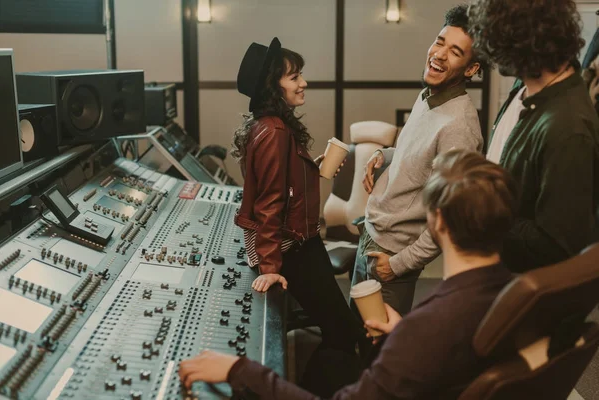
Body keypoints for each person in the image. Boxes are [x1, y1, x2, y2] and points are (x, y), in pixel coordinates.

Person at [178, 149, 517, 399]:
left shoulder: (426, 328)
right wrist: (401, 332)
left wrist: (241, 370)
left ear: (437, 221)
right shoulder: (518, 295)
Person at [230, 38, 363, 359]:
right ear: (272, 87)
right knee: (343, 333)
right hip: (291, 247)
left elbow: (275, 183)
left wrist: (309, 169)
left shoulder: (267, 125)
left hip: (296, 242)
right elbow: (270, 201)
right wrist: (271, 267)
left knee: (340, 326)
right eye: (294, 77)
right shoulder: (275, 132)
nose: (303, 83)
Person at [354, 5, 485, 316]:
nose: (439, 54)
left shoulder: (460, 128)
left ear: (470, 69)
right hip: (370, 235)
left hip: (392, 256)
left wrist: (398, 265)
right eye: (439, 41)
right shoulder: (428, 95)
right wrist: (382, 155)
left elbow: (453, 217)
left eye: (455, 52)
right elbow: (417, 158)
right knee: (354, 337)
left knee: (378, 356)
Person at [468, 0, 599, 271]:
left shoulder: (569, 129)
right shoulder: (525, 86)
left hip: (531, 298)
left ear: (520, 42)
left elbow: (557, 244)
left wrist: (485, 212)